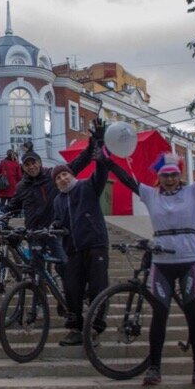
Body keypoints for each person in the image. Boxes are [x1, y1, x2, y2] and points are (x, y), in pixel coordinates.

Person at [102, 116, 195, 386]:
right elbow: (125, 179)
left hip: (190, 260)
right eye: (164, 175)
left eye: (173, 175)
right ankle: (154, 368)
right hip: (161, 263)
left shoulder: (193, 192)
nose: (169, 179)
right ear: (158, 177)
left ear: (180, 174)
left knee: (194, 317)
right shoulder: (150, 194)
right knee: (159, 317)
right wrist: (106, 158)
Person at [51, 120, 109, 346]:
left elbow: (101, 170)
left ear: (70, 175)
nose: (62, 179)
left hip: (94, 244)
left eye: (64, 175)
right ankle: (75, 329)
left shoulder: (87, 186)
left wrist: (101, 144)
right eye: (58, 178)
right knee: (71, 289)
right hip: (72, 250)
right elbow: (59, 220)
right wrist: (56, 225)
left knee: (97, 288)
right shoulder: (58, 199)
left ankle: (95, 329)